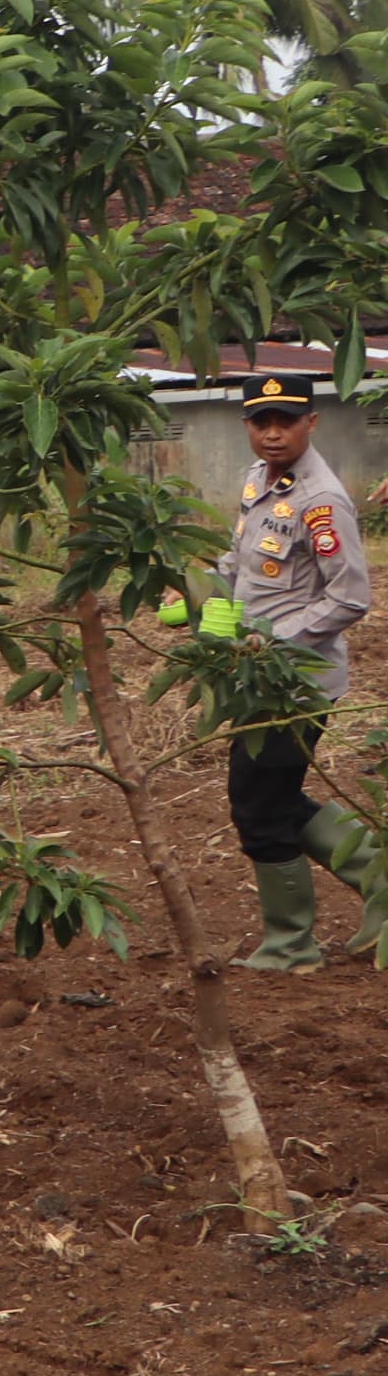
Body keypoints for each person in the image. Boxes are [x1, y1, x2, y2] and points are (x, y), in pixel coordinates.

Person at [216, 373, 380, 972]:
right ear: (248, 427)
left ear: (312, 422)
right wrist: (212, 610)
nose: (274, 432)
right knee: (271, 795)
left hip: (296, 682)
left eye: (287, 420)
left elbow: (350, 598)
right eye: (262, 421)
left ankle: (291, 945)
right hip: (256, 677)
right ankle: (380, 884)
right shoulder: (260, 480)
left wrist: (274, 643)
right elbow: (242, 562)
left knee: (258, 805)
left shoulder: (321, 498)